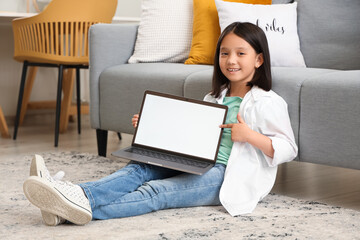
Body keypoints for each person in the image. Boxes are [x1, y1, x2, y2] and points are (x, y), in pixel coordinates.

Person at [23, 22, 297, 226]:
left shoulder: (268, 103)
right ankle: (74, 195)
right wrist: (151, 126)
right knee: (139, 169)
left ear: (259, 60)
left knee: (156, 193)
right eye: (224, 53)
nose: (231, 60)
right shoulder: (213, 97)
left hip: (224, 176)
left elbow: (287, 148)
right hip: (194, 160)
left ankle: (74, 206)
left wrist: (249, 135)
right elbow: (188, 135)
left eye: (241, 53)